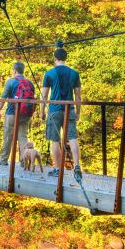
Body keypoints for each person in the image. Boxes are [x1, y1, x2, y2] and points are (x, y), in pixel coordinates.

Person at [41, 47, 81, 177]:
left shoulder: (49, 74)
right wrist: (78, 112)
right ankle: (76, 166)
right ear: (66, 58)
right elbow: (78, 96)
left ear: (55, 58)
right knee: (72, 137)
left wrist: (42, 111)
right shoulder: (74, 74)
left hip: (54, 110)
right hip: (69, 109)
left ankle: (58, 169)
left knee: (54, 140)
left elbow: (44, 96)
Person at [0, 61, 37, 166]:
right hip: (26, 114)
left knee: (8, 136)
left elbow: (3, 98)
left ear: (14, 70)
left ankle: (3, 160)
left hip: (12, 113)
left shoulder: (11, 81)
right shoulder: (30, 83)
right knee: (23, 137)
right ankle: (24, 161)